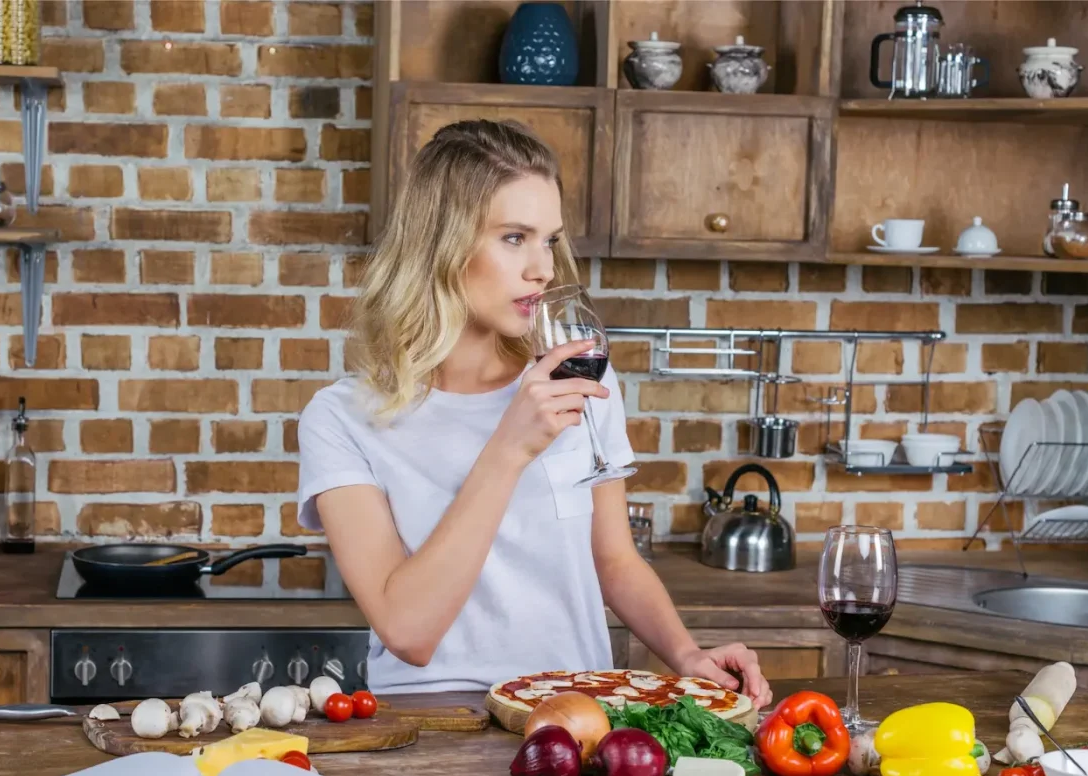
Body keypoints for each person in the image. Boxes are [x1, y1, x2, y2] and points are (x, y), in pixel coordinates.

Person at [296, 119, 772, 707]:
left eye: (549, 239)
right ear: (441, 244)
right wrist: (509, 448)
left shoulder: (574, 376)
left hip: (578, 709)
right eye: (514, 237)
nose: (543, 268)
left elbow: (614, 559)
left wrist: (687, 655)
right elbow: (408, 631)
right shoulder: (341, 419)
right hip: (433, 718)